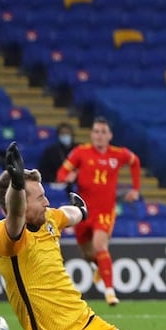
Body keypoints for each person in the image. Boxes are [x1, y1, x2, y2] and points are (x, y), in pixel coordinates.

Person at [0, 143, 166, 330]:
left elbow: (67, 213)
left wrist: (81, 210)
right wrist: (18, 186)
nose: (46, 201)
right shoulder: (6, 238)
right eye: (40, 197)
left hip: (91, 324)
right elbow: (16, 214)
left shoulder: (49, 218)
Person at [56, 117, 142, 306]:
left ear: (110, 135)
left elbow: (135, 161)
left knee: (99, 245)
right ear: (91, 134)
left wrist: (135, 189)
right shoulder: (81, 152)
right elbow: (62, 172)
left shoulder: (118, 154)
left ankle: (110, 292)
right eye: (96, 131)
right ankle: (99, 266)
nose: (100, 135)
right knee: (88, 254)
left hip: (105, 211)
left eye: (103, 132)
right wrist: (66, 177)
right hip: (83, 211)